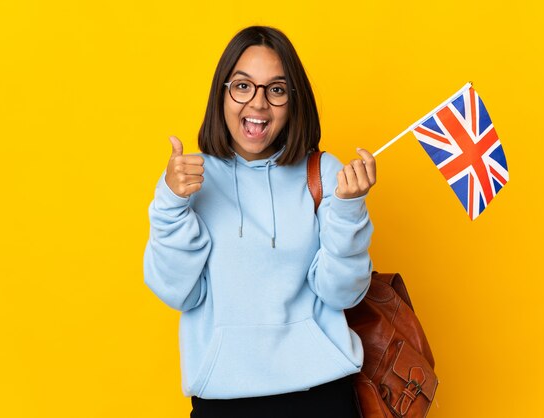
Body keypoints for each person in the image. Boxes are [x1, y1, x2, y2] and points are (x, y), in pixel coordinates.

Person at [143, 25, 376, 418]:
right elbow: (177, 291)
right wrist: (170, 203)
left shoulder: (324, 174)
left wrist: (350, 212)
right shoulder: (190, 179)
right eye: (243, 86)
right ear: (222, 93)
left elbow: (341, 294)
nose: (258, 103)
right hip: (223, 401)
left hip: (321, 396)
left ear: (293, 101)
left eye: (277, 89)